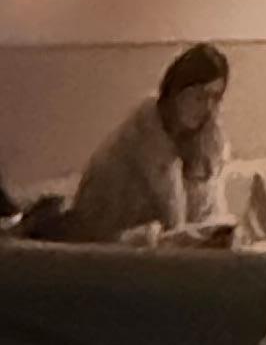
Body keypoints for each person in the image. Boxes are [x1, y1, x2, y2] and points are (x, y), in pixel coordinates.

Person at [62, 45, 232, 246]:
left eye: (215, 97)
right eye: (199, 96)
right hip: (114, 253)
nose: (207, 107)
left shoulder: (207, 143)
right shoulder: (136, 142)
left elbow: (210, 214)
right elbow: (100, 232)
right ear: (175, 92)